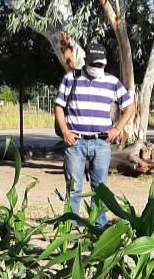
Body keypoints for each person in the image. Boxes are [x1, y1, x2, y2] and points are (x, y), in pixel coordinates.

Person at [54, 42, 135, 228]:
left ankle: (99, 225)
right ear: (86, 62)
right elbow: (59, 106)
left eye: (101, 65)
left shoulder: (112, 82)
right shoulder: (70, 78)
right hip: (76, 143)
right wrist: (65, 132)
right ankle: (70, 226)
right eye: (95, 64)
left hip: (101, 143)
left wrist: (117, 129)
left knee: (101, 189)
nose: (98, 68)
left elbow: (130, 107)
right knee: (73, 188)